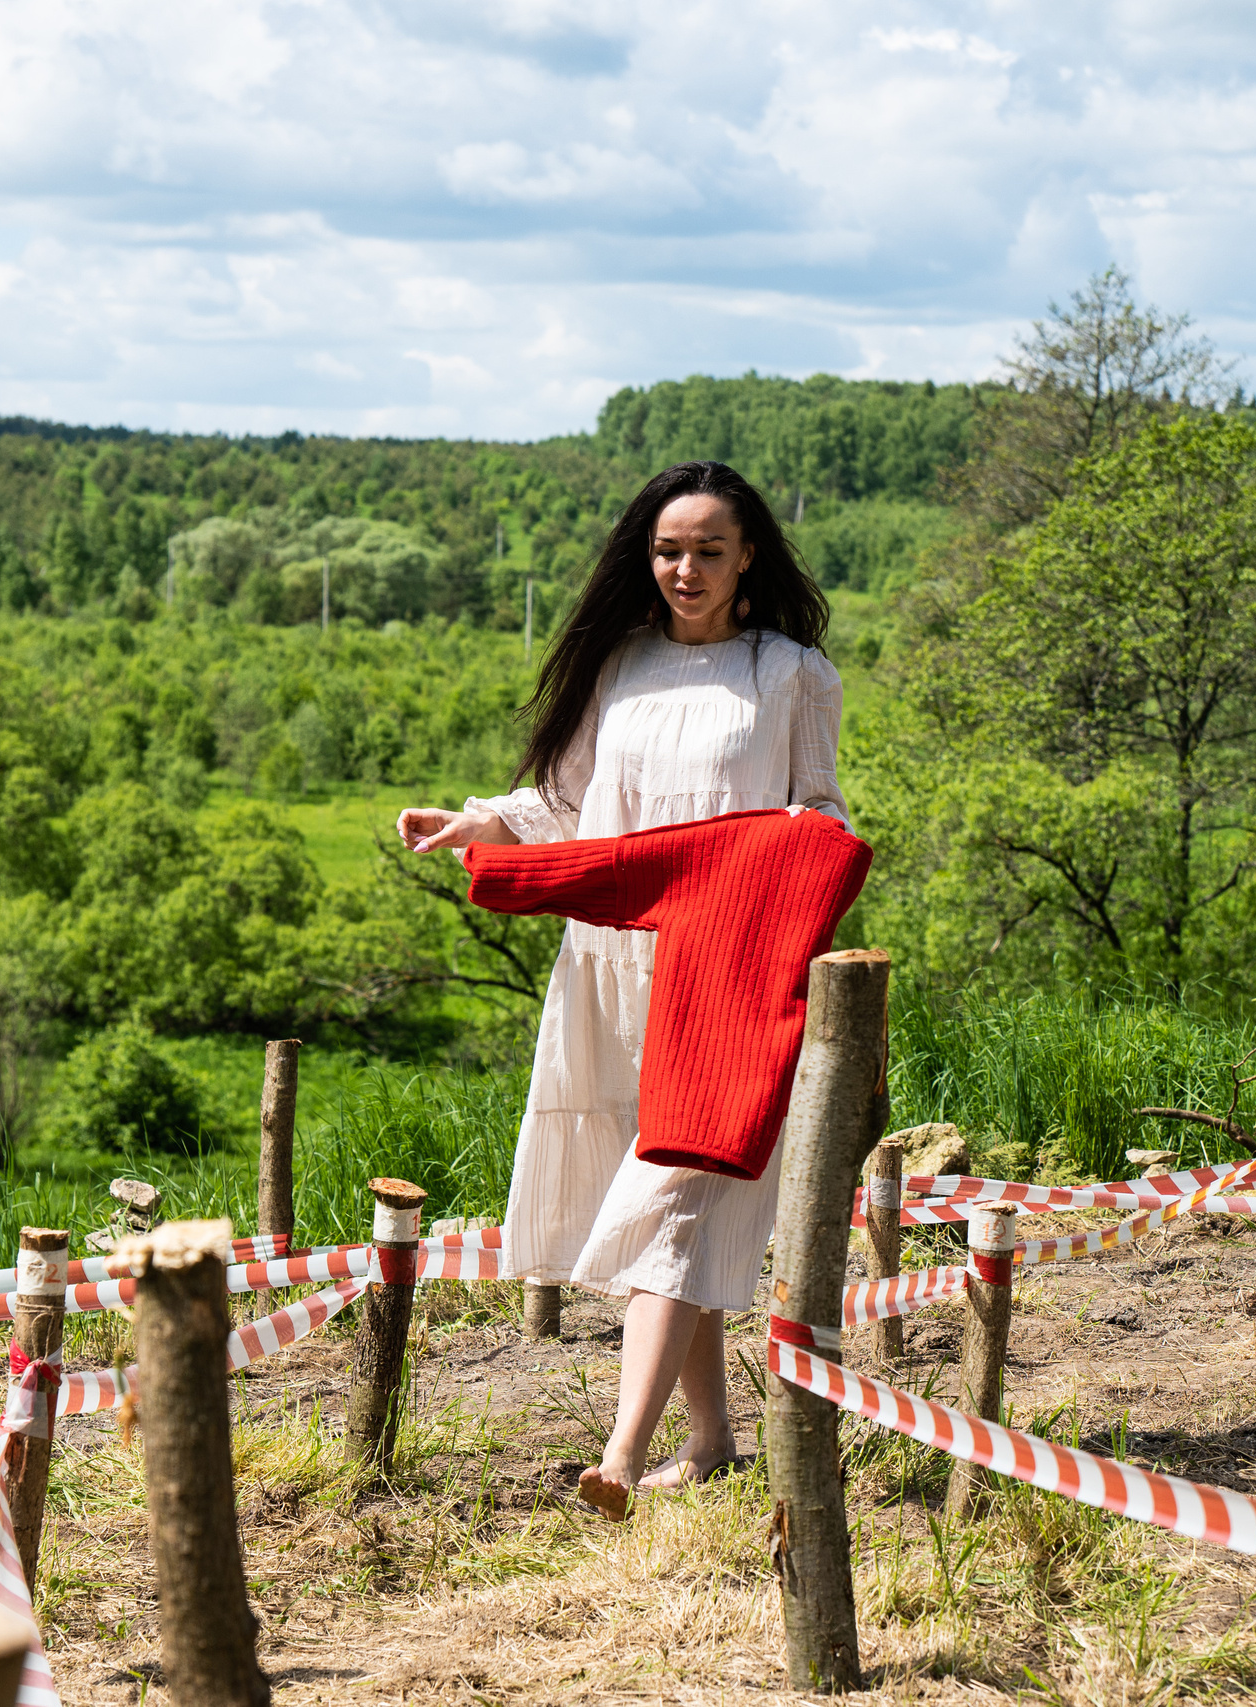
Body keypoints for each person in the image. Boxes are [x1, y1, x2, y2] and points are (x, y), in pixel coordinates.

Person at [397, 461, 845, 1520]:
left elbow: (820, 816)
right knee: (669, 1205)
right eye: (667, 550)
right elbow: (565, 801)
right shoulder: (622, 664)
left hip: (726, 973)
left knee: (672, 1196)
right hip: (612, 966)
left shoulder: (793, 674)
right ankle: (713, 1440)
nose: (686, 569)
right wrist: (478, 823)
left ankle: (622, 1454)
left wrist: (776, 879)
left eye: (708, 551)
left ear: (749, 558)